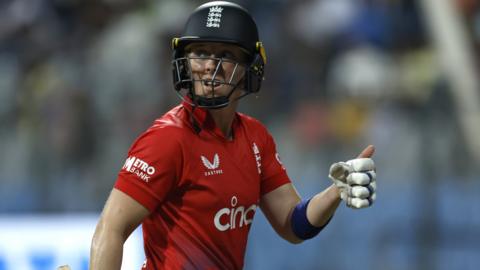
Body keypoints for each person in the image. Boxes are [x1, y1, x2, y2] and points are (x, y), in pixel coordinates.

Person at [89, 1, 377, 269]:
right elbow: (111, 228)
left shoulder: (255, 137)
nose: (209, 66)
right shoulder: (167, 139)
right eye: (200, 53)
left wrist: (336, 190)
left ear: (251, 67)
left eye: (225, 55)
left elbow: (293, 225)